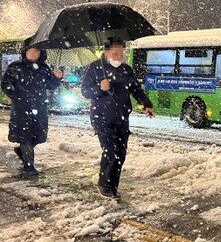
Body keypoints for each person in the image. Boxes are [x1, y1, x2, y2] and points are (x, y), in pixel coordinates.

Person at [81, 37, 154, 200]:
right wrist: (99, 87)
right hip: (101, 117)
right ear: (107, 51)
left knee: (120, 152)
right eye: (116, 49)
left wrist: (146, 104)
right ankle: (104, 184)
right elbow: (85, 92)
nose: (120, 53)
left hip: (121, 117)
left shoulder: (126, 69)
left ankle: (112, 185)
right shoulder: (95, 68)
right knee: (111, 151)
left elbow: (135, 89)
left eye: (122, 50)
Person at [1, 42, 63, 177]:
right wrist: (16, 95)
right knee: (25, 136)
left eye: (36, 51)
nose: (33, 53)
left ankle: (21, 150)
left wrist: (57, 78)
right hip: (22, 108)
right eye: (30, 50)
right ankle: (29, 167)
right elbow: (6, 83)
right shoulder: (15, 67)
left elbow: (50, 86)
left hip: (40, 107)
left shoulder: (44, 68)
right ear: (25, 51)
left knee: (39, 135)